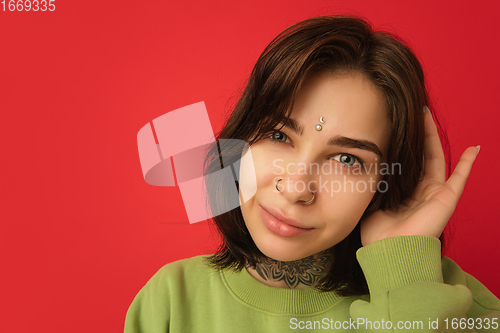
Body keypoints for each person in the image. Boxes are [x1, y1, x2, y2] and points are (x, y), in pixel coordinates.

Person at [124, 15, 500, 332]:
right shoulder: (170, 303)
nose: (296, 188)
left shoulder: (461, 306)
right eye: (278, 135)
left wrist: (405, 281)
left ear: (387, 180)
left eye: (348, 159)